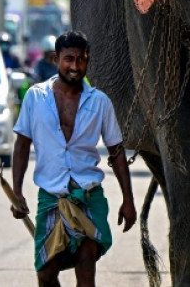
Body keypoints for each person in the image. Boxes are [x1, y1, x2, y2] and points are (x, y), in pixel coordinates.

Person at [10, 31, 136, 287]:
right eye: (68, 59)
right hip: (52, 197)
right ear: (56, 59)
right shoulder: (36, 97)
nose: (75, 66)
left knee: (85, 262)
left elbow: (117, 151)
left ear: (88, 61)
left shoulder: (100, 102)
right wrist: (16, 192)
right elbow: (22, 145)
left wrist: (128, 200)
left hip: (88, 196)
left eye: (81, 59)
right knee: (46, 273)